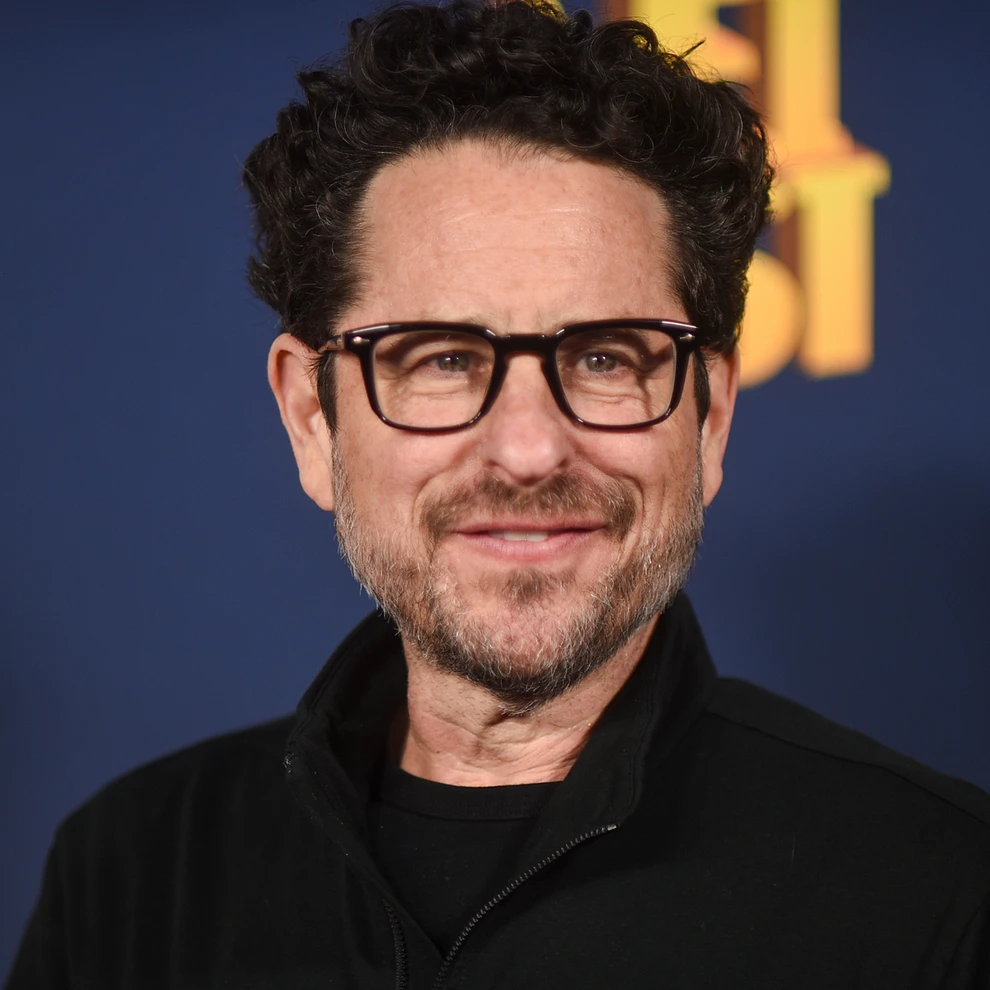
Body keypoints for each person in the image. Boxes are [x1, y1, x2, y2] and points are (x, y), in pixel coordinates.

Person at [7, 1, 990, 986]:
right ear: (312, 420)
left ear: (711, 417)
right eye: (441, 358)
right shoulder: (132, 878)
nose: (527, 450)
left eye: (605, 358)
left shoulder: (941, 895)